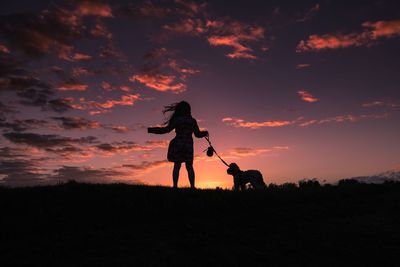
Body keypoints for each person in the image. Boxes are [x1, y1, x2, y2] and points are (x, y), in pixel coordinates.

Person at [147, 101, 208, 189]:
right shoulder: (192, 121)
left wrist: (151, 130)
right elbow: (197, 134)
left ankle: (175, 186)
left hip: (178, 143)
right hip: (188, 145)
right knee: (189, 166)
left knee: (177, 165)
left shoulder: (177, 120)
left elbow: (166, 130)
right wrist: (204, 133)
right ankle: (192, 187)